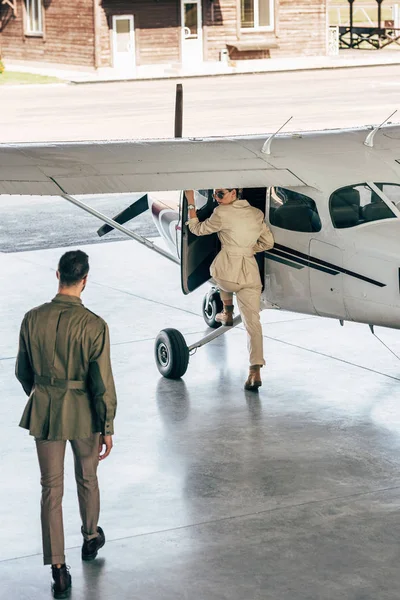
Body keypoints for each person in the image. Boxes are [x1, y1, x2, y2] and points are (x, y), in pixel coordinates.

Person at [15, 250, 117, 599]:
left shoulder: (31, 318)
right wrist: (107, 425)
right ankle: (90, 538)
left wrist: (43, 395)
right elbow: (101, 383)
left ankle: (58, 568)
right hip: (84, 411)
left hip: (44, 409)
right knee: (87, 477)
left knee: (51, 489)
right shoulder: (94, 325)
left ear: (57, 274)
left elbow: (22, 371)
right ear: (85, 279)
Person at [185, 188, 274, 391]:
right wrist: (248, 250)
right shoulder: (256, 213)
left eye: (220, 194)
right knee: (253, 324)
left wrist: (191, 203)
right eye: (215, 195)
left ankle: (226, 310)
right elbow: (268, 243)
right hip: (251, 274)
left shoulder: (221, 213)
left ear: (235, 193)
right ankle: (255, 370)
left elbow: (197, 229)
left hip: (227, 274)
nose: (216, 199)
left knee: (216, 275)